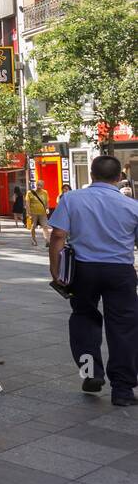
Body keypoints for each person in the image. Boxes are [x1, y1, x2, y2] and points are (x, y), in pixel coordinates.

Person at [48, 156, 138, 407]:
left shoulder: (71, 199)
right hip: (120, 272)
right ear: (119, 178)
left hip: (83, 270)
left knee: (84, 319)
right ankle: (122, 389)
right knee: (124, 329)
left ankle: (91, 374)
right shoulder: (132, 206)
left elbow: (57, 235)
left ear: (91, 175)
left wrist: (56, 271)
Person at [25, 181, 50, 246]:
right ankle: (34, 240)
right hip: (33, 213)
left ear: (43, 186)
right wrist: (28, 213)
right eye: (38, 185)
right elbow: (27, 203)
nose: (39, 186)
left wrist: (47, 209)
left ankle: (47, 241)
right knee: (33, 226)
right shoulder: (30, 192)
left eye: (41, 185)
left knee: (45, 226)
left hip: (42, 213)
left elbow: (47, 202)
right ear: (36, 185)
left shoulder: (45, 192)